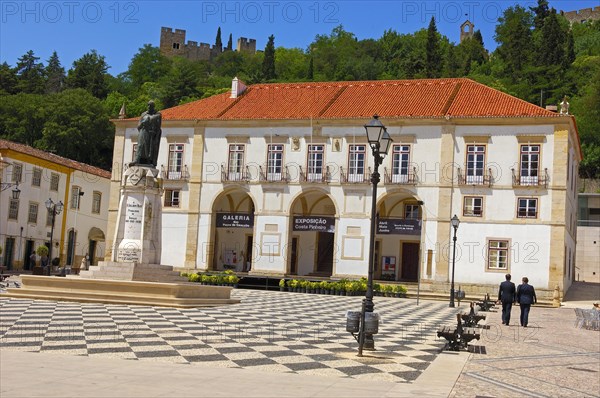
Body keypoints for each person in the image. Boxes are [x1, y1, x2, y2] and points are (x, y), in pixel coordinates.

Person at [134, 100, 162, 167]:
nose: (149, 107)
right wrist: (142, 124)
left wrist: (155, 134)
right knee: (140, 146)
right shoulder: (143, 114)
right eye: (148, 105)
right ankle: (137, 160)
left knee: (149, 149)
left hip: (151, 134)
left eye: (151, 105)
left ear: (153, 107)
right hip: (143, 131)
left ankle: (149, 161)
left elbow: (158, 126)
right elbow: (138, 126)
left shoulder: (158, 114)